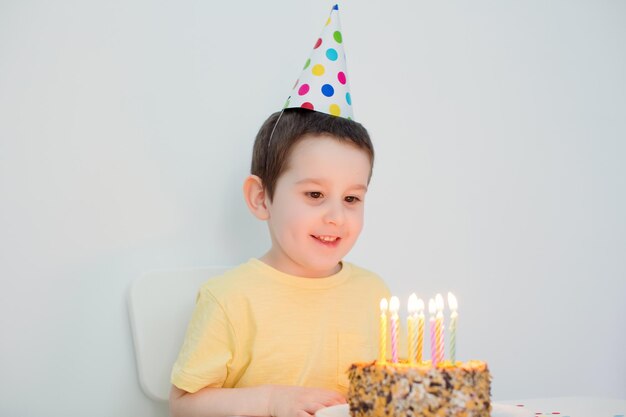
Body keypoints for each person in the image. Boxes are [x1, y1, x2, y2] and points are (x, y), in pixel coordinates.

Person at [169, 5, 390, 417]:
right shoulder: (230, 299)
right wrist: (270, 401)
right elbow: (183, 405)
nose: (336, 217)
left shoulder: (374, 294)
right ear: (261, 198)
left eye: (351, 198)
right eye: (314, 195)